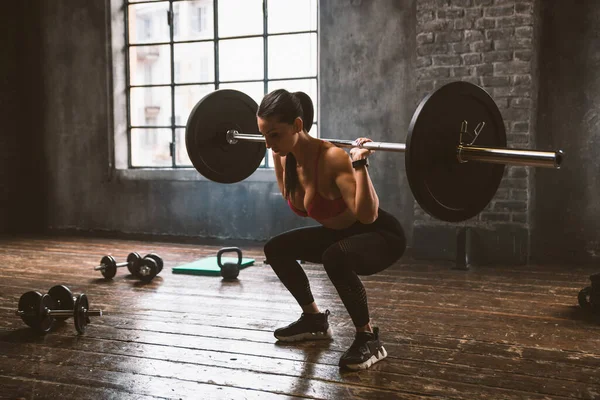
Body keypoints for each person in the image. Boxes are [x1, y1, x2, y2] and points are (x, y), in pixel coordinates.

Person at [258, 89, 406, 371]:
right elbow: (291, 198)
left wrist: (359, 163)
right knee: (275, 249)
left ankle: (368, 337)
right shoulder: (283, 156)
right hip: (341, 234)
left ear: (298, 126)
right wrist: (277, 148)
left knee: (334, 256)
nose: (267, 144)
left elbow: (368, 215)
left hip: (380, 235)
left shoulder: (332, 158)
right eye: (264, 134)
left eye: (274, 134)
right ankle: (314, 320)